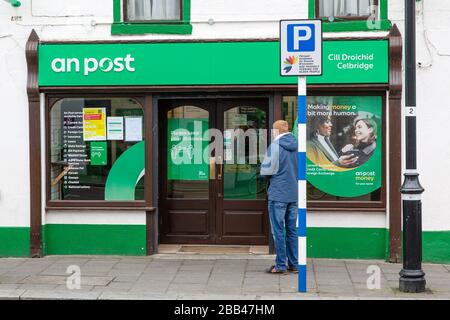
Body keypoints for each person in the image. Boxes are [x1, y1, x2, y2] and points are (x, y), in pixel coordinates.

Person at [260, 120, 298, 274]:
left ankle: (281, 265)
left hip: (278, 194)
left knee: (278, 231)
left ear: (276, 131)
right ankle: (294, 264)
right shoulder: (298, 146)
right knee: (291, 230)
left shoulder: (275, 146)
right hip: (294, 194)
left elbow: (266, 171)